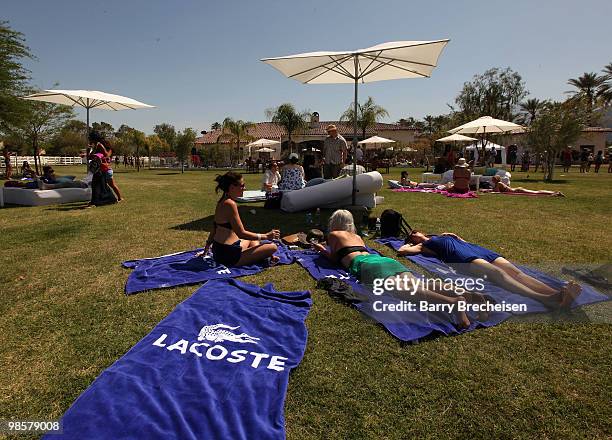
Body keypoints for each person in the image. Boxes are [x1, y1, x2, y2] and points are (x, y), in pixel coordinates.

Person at [312, 210, 489, 328]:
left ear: (334, 222)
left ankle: (453, 303)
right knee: (419, 284)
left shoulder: (333, 234)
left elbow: (335, 258)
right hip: (383, 260)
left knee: (402, 290)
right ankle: (469, 294)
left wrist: (321, 250)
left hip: (365, 265)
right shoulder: (357, 236)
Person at [398, 230, 581, 309]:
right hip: (462, 257)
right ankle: (546, 299)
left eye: (414, 232)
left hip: (476, 249)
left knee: (518, 273)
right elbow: (402, 251)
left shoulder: (440, 235)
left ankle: (558, 294)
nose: (414, 235)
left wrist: (452, 235)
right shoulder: (424, 246)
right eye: (411, 236)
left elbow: (462, 240)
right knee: (499, 275)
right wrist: (408, 244)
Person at [201, 172, 280, 267]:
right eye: (242, 185)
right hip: (230, 256)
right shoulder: (230, 204)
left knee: (252, 240)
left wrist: (206, 250)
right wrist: (267, 236)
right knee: (273, 247)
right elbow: (241, 233)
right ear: (232, 187)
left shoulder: (222, 202)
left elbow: (214, 228)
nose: (245, 188)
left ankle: (262, 256)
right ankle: (263, 256)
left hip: (218, 251)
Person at [491, 175, 564, 196]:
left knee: (536, 192)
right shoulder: (498, 184)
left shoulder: (499, 184)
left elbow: (497, 192)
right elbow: (495, 190)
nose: (492, 180)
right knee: (536, 192)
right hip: (517, 190)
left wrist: (490, 192)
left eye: (493, 179)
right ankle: (554, 192)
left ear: (496, 180)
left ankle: (555, 193)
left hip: (518, 191)